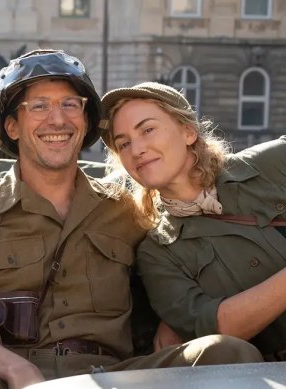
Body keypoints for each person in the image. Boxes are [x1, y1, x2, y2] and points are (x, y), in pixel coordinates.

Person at [0, 50, 263, 389]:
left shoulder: (129, 210)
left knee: (226, 353)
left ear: (86, 121)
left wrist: (175, 316)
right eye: (39, 106)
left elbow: (184, 255)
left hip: (112, 376)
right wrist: (17, 370)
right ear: (12, 126)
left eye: (70, 104)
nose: (57, 120)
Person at [101, 81, 286, 361]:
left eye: (148, 130)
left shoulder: (271, 164)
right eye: (123, 143)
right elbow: (214, 327)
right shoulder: (158, 253)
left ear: (188, 131)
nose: (136, 149)